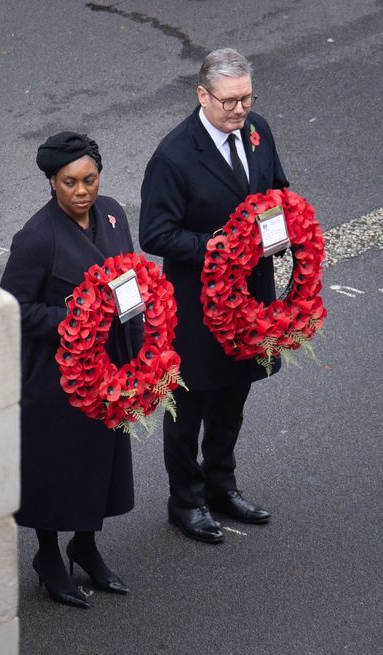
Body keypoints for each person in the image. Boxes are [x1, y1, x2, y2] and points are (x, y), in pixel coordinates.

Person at [139, 48, 289, 544]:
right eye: (229, 101)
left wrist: (281, 227)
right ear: (203, 95)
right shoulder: (174, 156)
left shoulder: (258, 130)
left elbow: (279, 191)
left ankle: (221, 484)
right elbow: (156, 235)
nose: (240, 109)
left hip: (252, 299)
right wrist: (219, 247)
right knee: (190, 406)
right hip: (198, 307)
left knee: (234, 395)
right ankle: (185, 501)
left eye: (246, 97)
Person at [0, 132, 142, 609]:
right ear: (52, 183)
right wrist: (79, 317)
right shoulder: (37, 237)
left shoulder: (114, 213)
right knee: (55, 471)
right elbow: (13, 309)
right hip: (55, 379)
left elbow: (131, 273)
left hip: (109, 370)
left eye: (90, 180)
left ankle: (85, 544)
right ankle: (47, 556)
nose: (82, 191)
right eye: (70, 182)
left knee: (97, 463)